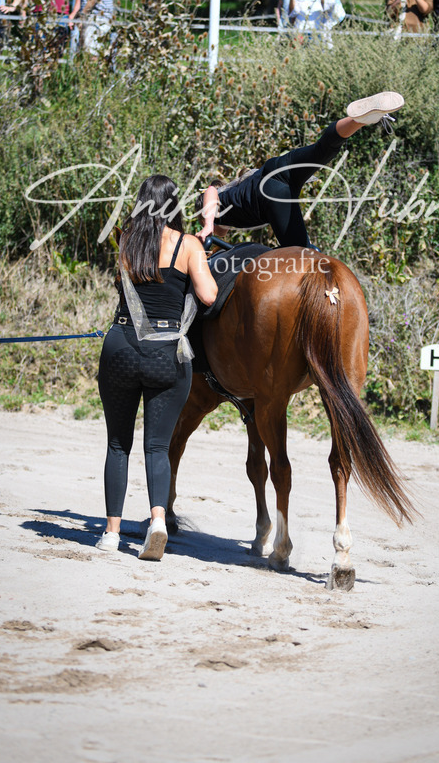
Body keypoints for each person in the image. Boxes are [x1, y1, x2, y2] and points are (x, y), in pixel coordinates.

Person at [97, 175, 217, 560]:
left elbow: (124, 285)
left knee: (118, 444)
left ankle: (112, 534)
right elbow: (208, 295)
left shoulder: (126, 242)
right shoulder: (188, 246)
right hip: (167, 354)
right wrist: (201, 249)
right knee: (158, 446)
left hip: (121, 345)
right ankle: (159, 522)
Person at [197, 92, 404, 249]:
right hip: (278, 169)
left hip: (271, 192)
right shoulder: (238, 196)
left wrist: (207, 225)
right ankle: (358, 120)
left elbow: (210, 191)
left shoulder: (221, 210)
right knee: (323, 150)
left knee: (302, 255)